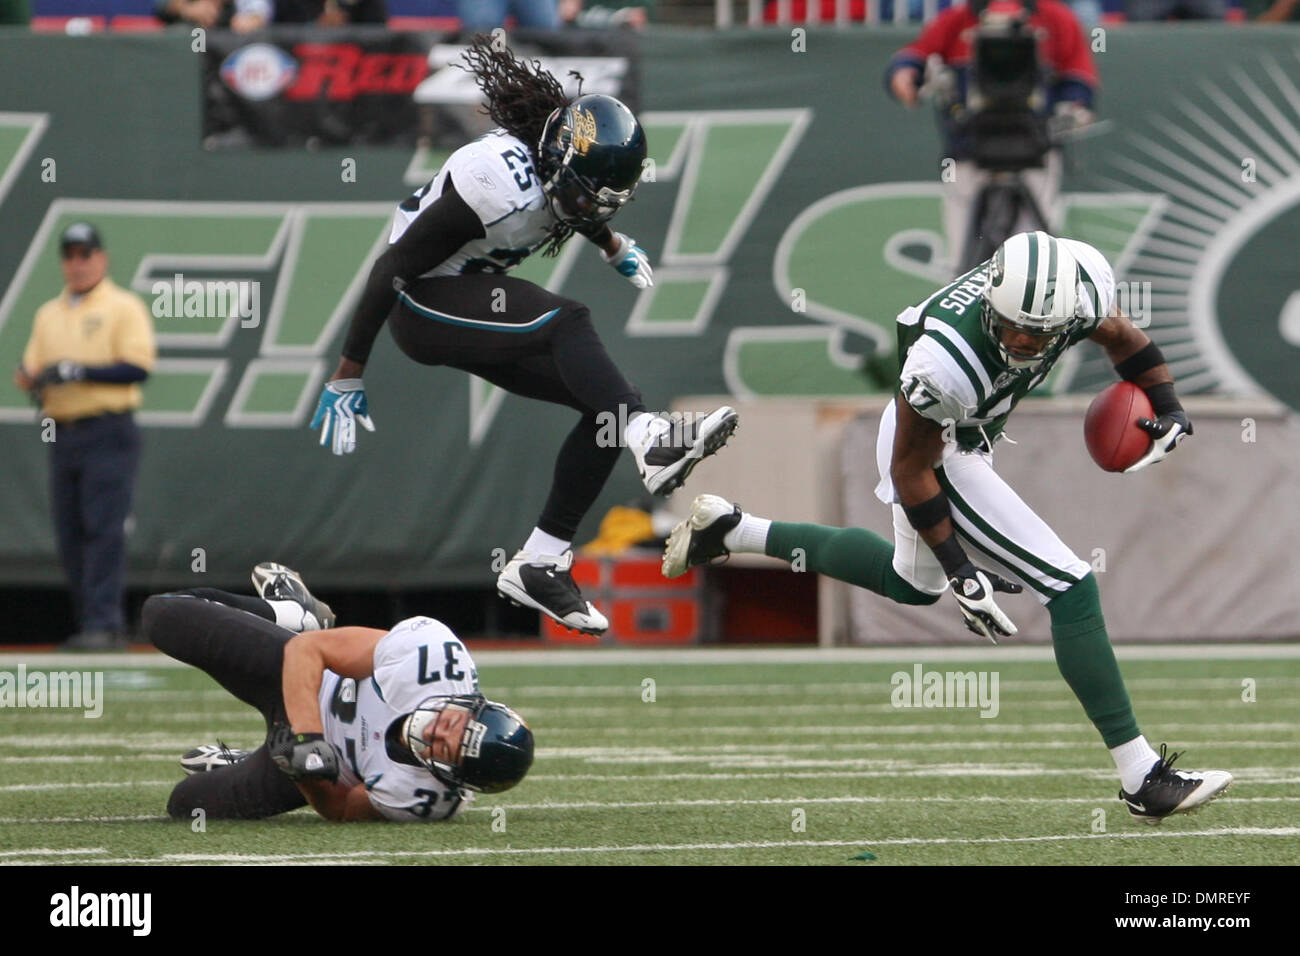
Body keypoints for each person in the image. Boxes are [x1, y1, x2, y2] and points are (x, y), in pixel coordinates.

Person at [664, 231, 1233, 824]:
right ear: (991, 299)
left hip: (968, 432)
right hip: (936, 445)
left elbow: (1123, 337)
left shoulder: (1081, 290)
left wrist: (1167, 406)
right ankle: (1141, 775)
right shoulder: (944, 362)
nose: (1017, 341)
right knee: (1070, 586)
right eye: (1009, 325)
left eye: (1034, 335)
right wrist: (963, 572)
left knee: (910, 584)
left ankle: (731, 530)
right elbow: (911, 471)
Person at [311, 35, 737, 637]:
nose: (593, 208)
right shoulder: (494, 183)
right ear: (559, 163)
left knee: (607, 405)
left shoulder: (555, 163)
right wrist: (349, 370)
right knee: (568, 321)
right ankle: (653, 438)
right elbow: (392, 268)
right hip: (421, 300)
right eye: (589, 195)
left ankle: (540, 560)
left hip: (464, 288)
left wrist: (610, 242)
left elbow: (570, 201)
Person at [148, 563, 533, 823]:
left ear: (452, 778)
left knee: (185, 805)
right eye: (450, 723)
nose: (434, 732)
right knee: (162, 614)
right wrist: (307, 738)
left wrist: (303, 772)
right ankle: (295, 615)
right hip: (301, 675)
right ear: (467, 703)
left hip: (312, 763)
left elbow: (342, 807)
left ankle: (256, 756)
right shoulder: (430, 659)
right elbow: (308, 651)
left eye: (443, 749)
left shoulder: (422, 797)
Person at [14, 223, 156, 652]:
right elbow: (30, 370)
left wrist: (79, 370)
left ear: (101, 258)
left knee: (103, 528)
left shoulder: (122, 306)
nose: (77, 263)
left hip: (107, 428)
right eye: (70, 255)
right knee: (70, 530)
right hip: (64, 430)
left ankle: (105, 623)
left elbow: (138, 367)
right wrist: (35, 379)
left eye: (85, 254)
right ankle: (88, 622)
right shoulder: (48, 313)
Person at [884, 0, 1097, 276]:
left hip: (1034, 154)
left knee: (1033, 262)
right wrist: (904, 72)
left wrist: (1074, 106)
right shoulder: (956, 20)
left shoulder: (1056, 18)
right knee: (962, 260)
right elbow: (914, 56)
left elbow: (1079, 79)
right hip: (969, 151)